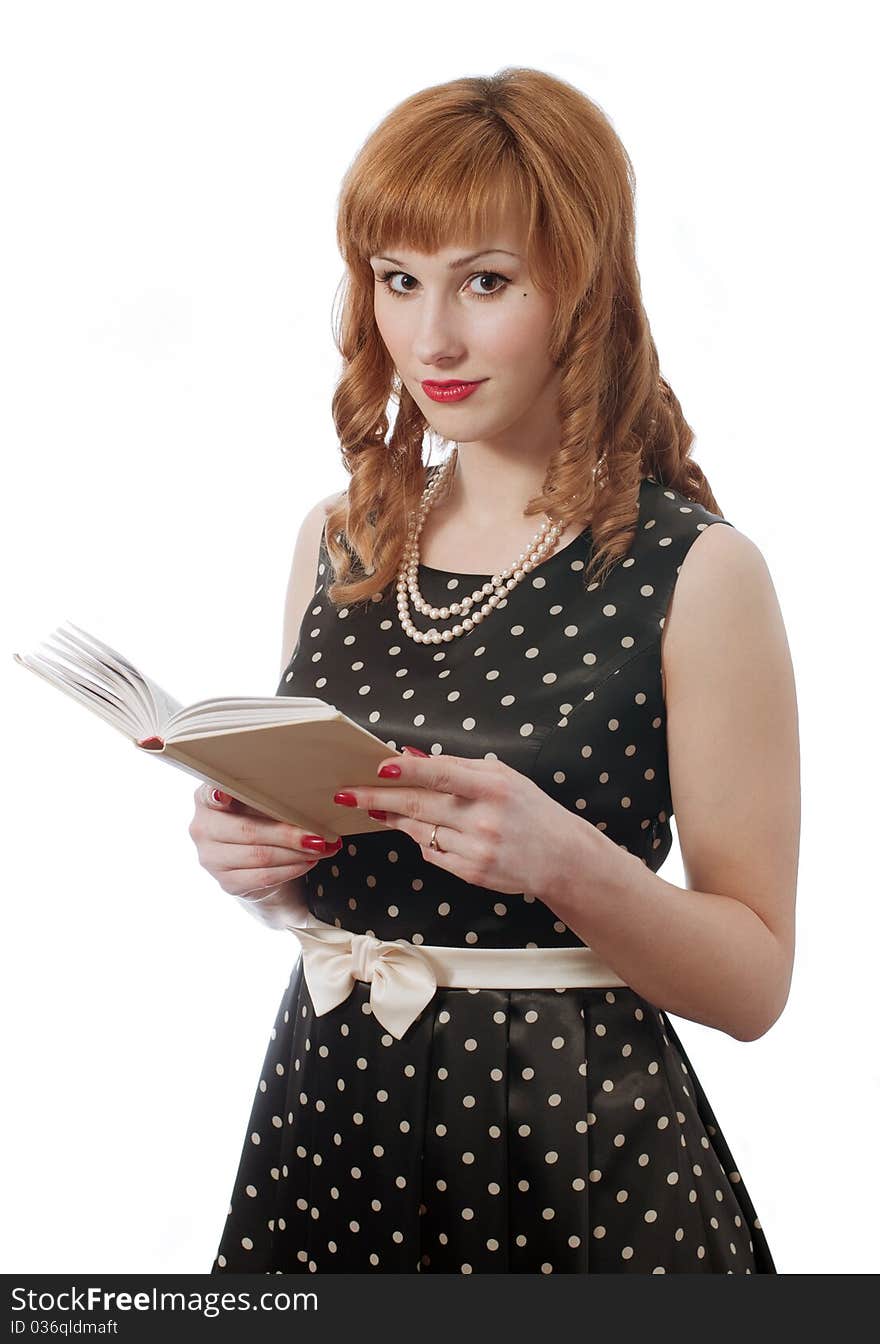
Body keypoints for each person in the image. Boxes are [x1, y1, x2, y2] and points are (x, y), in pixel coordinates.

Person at [193, 67, 799, 1274]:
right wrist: (254, 869)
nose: (432, 338)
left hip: (569, 1141)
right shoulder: (342, 537)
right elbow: (323, 871)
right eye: (397, 280)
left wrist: (567, 864)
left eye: (486, 280)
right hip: (329, 1106)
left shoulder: (697, 571)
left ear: (581, 288)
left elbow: (754, 983)